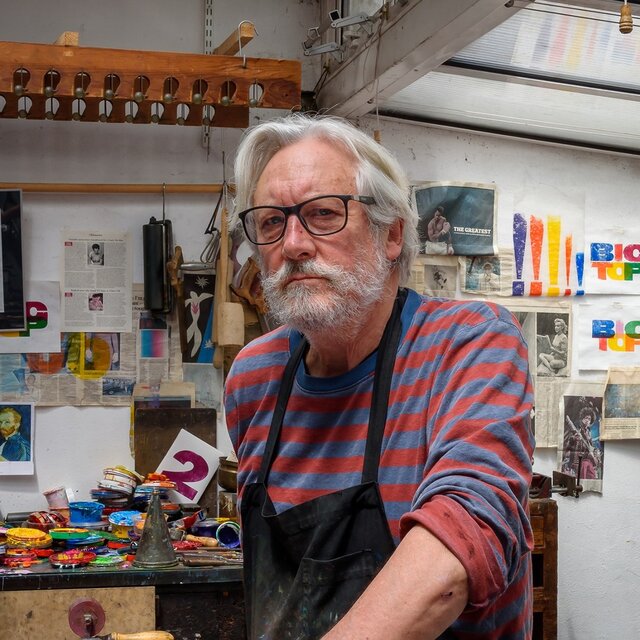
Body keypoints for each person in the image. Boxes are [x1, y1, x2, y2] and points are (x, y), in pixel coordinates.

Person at [224, 114, 534, 640]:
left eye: (323, 213)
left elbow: (466, 530)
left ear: (390, 235)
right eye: (272, 222)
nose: (293, 244)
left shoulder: (470, 343)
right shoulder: (254, 378)